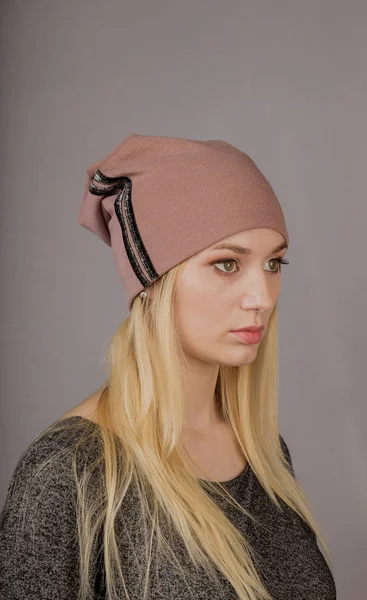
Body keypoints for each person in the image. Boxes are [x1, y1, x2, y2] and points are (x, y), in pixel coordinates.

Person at [0, 134, 337, 599]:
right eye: (226, 264)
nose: (262, 298)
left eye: (274, 263)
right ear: (153, 281)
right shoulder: (71, 472)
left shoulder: (263, 452)